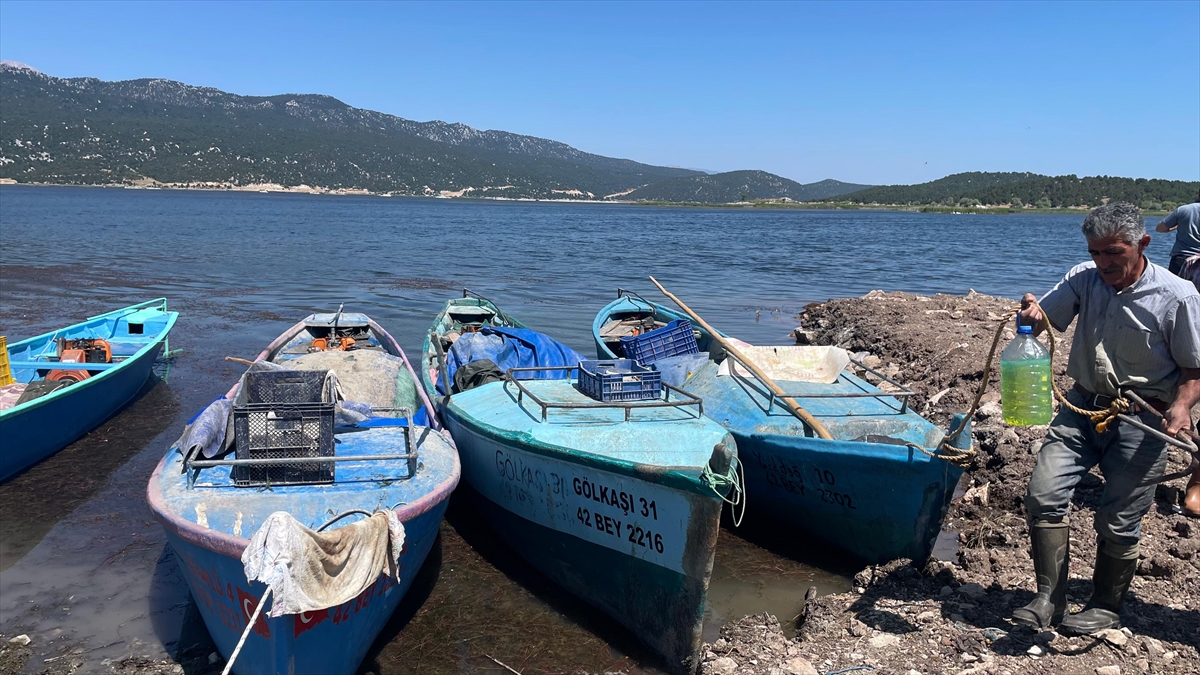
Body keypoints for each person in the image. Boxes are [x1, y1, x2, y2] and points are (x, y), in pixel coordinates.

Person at [1011, 202, 1200, 636]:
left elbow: (1195, 370)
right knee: (1043, 494)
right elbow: (1041, 321)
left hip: (1141, 420)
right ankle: (1048, 598)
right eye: (1096, 252)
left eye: (1113, 252)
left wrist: (1183, 405)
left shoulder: (1178, 296)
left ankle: (1106, 605)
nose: (1104, 263)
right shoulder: (1084, 278)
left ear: (1143, 244)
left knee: (1118, 519)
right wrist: (1031, 317)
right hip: (1081, 407)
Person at [1156, 191, 1200, 277]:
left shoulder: (1183, 210)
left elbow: (1160, 228)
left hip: (1181, 259)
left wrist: (1175, 227)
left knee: (1175, 289)